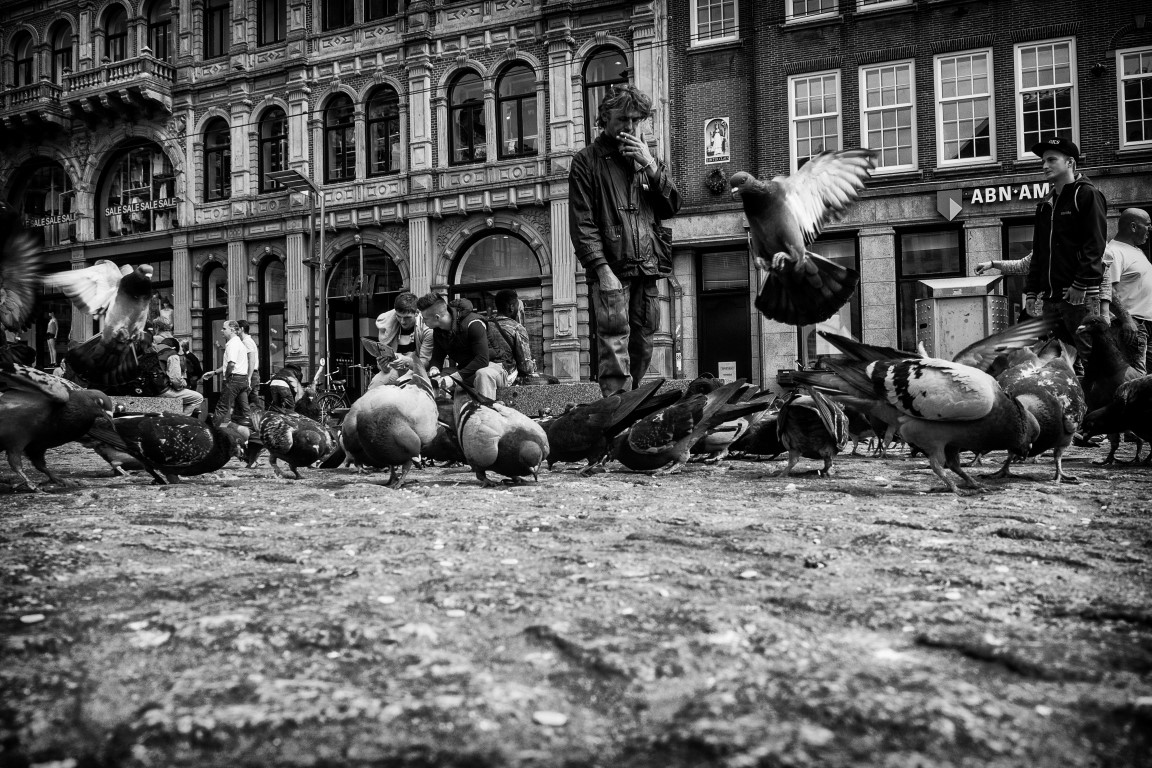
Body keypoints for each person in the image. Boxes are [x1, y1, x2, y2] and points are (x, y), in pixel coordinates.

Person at [569, 83, 682, 396]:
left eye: (635, 120)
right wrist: (602, 270)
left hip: (647, 267)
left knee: (644, 343)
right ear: (605, 118)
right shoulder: (586, 161)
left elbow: (672, 206)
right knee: (613, 340)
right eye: (622, 119)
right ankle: (617, 406)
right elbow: (582, 223)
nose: (630, 127)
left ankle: (631, 402)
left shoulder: (647, 160)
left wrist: (651, 166)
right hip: (613, 269)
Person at [1024, 136, 1107, 374]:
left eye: (1051, 160)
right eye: (1043, 161)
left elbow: (1095, 245)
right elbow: (1039, 251)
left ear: (1070, 162)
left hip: (1078, 296)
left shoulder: (1087, 195)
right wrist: (1032, 291)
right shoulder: (1045, 204)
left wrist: (1080, 284)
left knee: (1094, 361)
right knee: (1059, 364)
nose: (1044, 166)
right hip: (1051, 299)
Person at [417, 292, 507, 401]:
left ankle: (485, 409)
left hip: (494, 366)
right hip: (468, 369)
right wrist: (434, 369)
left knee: (483, 374)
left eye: (425, 318)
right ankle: (444, 410)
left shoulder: (474, 323)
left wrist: (453, 378)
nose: (423, 321)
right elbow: (437, 357)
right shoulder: (438, 330)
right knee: (436, 379)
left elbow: (482, 360)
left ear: (437, 317)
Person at [1100, 208, 1152, 374]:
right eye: (1148, 224)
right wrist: (1127, 320)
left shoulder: (1136, 250)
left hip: (1145, 325)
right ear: (1133, 227)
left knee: (1146, 379)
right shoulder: (1113, 251)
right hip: (1133, 326)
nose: (1150, 229)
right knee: (1136, 379)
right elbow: (1108, 289)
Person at [372, 292, 434, 387]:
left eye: (407, 317)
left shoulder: (427, 328)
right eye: (398, 316)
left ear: (417, 313)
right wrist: (383, 366)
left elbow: (425, 363)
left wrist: (405, 361)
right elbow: (382, 364)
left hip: (416, 371)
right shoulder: (387, 325)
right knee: (376, 384)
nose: (402, 321)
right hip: (393, 370)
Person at [208, 320, 251, 427]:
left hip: (233, 379)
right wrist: (215, 372)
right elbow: (232, 364)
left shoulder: (232, 344)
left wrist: (226, 376)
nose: (221, 330)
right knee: (245, 411)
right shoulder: (239, 343)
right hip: (243, 379)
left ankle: (211, 432)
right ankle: (252, 432)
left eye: (224, 328)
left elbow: (231, 364)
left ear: (232, 330)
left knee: (222, 408)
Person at [492, 288, 537, 383]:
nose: (518, 309)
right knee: (553, 381)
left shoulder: (486, 325)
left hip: (490, 374)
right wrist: (533, 365)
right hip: (508, 377)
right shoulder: (517, 328)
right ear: (511, 307)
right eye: (517, 305)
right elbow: (525, 367)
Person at [155, 337, 206, 417]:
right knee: (198, 398)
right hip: (162, 389)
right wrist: (183, 384)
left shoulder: (151, 349)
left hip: (147, 390)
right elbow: (175, 380)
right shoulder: (172, 353)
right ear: (174, 348)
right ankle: (182, 420)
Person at [236, 318, 262, 408]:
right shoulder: (248, 341)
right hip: (253, 374)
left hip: (251, 374)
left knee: (242, 401)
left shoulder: (246, 342)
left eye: (237, 328)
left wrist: (249, 377)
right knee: (253, 401)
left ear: (241, 329)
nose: (235, 331)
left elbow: (251, 359)